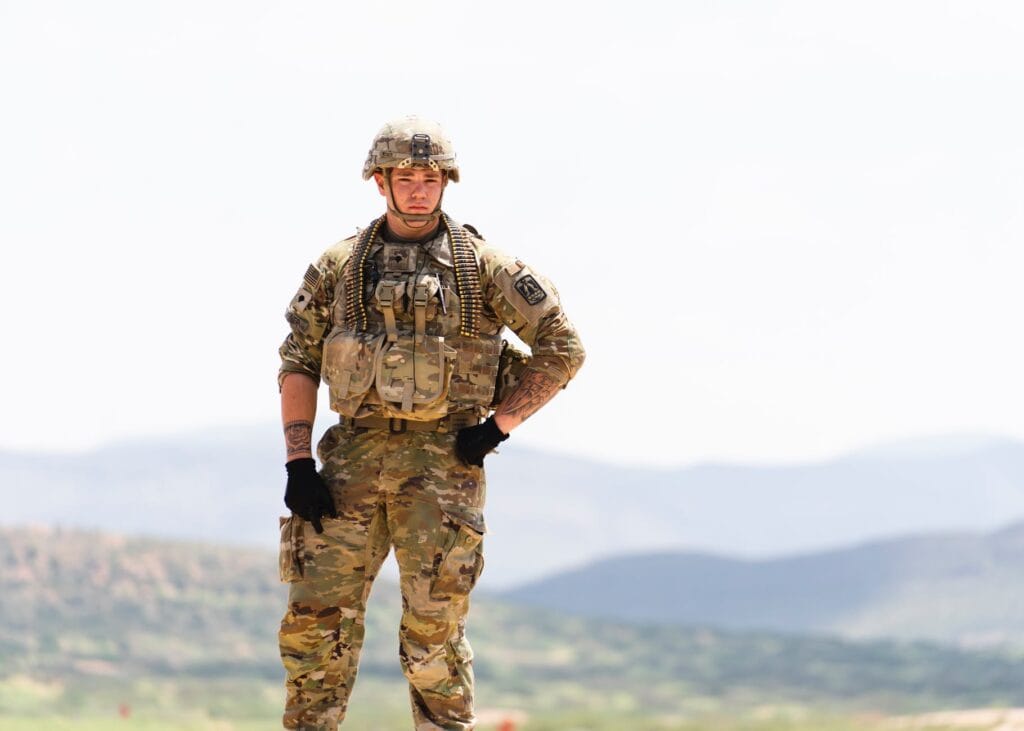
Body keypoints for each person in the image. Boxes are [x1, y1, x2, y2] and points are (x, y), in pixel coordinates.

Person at [276, 115, 585, 731]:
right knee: (314, 632)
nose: (419, 191)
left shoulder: (484, 267)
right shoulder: (340, 266)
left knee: (433, 639)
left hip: (443, 467)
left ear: (446, 182)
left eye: (430, 178)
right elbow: (298, 360)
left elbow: (563, 347)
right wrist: (298, 462)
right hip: (349, 466)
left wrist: (498, 427)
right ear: (380, 182)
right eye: (406, 179)